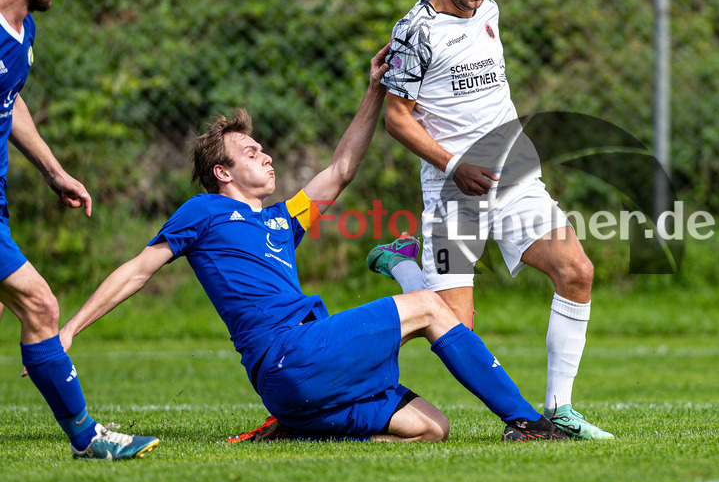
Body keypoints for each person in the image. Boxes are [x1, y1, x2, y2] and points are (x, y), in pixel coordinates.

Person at [58, 45, 567, 443]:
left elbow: (341, 169)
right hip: (288, 355)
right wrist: (72, 328)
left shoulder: (282, 219)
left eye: (262, 148)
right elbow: (138, 269)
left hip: (298, 378)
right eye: (250, 152)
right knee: (431, 308)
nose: (265, 156)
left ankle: (301, 423)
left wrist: (374, 89)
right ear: (222, 172)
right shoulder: (205, 211)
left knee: (433, 427)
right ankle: (525, 421)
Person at [378, 0, 612, 440]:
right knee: (458, 332)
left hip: (516, 180)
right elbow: (396, 118)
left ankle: (561, 411)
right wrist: (454, 165)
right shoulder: (415, 32)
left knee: (576, 271)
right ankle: (404, 266)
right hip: (453, 191)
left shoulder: (489, 11)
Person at [0, 0, 159, 460]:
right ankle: (88, 438)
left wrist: (54, 171)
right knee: (41, 306)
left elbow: (10, 100)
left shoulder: (23, 30)